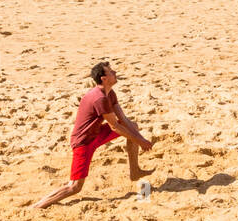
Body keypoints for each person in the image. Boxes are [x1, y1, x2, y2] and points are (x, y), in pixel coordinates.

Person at [33, 61, 155, 209]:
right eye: (111, 72)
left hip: (96, 134)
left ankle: (135, 171)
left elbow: (123, 120)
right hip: (83, 142)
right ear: (103, 78)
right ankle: (38, 206)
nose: (115, 73)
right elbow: (114, 126)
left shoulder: (110, 93)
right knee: (75, 187)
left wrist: (140, 139)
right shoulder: (100, 98)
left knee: (133, 127)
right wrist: (140, 141)